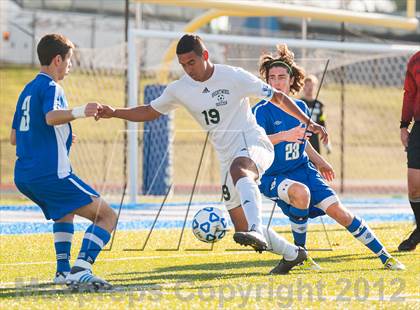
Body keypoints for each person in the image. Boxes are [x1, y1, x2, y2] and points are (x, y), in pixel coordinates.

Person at [97, 34, 328, 274]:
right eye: (183, 65)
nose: (188, 69)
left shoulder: (233, 76)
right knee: (240, 224)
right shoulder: (179, 89)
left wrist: (308, 123)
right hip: (226, 156)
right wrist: (114, 112)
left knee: (241, 173)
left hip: (254, 142)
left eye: (191, 62)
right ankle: (293, 254)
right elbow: (149, 110)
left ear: (205, 56)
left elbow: (278, 97)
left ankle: (257, 228)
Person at [253, 44, 405, 271]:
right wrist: (285, 135)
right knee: (300, 193)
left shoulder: (301, 106)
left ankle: (384, 256)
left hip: (303, 170)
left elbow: (302, 143)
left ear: (291, 79)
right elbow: (257, 143)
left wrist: (320, 161)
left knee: (340, 213)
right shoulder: (260, 110)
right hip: (273, 175)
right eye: (272, 77)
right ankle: (301, 257)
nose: (276, 82)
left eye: (281, 77)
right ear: (266, 81)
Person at [10, 34, 117, 289]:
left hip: (24, 175)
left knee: (64, 211)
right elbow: (50, 117)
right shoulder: (51, 87)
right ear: (58, 59)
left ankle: (62, 271)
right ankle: (82, 269)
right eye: (69, 60)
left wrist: (63, 135)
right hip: (50, 173)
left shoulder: (26, 90)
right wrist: (81, 111)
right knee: (107, 216)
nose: (70, 66)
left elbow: (15, 137)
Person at [398, 51, 420, 251]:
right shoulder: (415, 59)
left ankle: (417, 235)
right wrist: (404, 125)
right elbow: (410, 94)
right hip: (419, 127)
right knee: (414, 185)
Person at [300, 75, 331, 155]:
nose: (310, 88)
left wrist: (327, 144)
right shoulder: (299, 103)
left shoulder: (320, 105)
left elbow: (322, 122)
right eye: (307, 85)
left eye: (312, 85)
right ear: (303, 87)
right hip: (302, 136)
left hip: (315, 139)